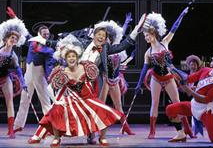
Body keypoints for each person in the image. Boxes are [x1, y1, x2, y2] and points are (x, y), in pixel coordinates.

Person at [28, 13, 143, 144]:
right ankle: (39, 134)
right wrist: (44, 41)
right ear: (94, 36)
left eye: (103, 36)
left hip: (89, 84)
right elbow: (61, 44)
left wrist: (136, 30)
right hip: (72, 79)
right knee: (58, 107)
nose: (100, 37)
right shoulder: (83, 44)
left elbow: (124, 45)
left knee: (92, 109)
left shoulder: (106, 49)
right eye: (98, 34)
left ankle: (91, 136)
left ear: (105, 40)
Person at [38, 35, 124, 147]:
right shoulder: (62, 71)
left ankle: (102, 138)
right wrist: (56, 101)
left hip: (86, 98)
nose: (71, 58)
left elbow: (96, 82)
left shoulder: (86, 67)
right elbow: (50, 88)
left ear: (77, 57)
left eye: (73, 56)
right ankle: (56, 138)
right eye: (69, 57)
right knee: (55, 110)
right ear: (65, 59)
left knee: (103, 109)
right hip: (71, 100)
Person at [134, 8, 194, 139]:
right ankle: (152, 130)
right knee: (154, 103)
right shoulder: (148, 53)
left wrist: (181, 15)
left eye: (146, 35)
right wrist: (139, 85)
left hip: (169, 77)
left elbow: (174, 27)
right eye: (144, 36)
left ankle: (187, 129)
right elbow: (144, 69)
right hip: (156, 78)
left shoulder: (165, 42)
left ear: (153, 33)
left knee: (177, 102)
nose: (145, 38)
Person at [165, 46, 213, 143]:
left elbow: (207, 99)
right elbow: (188, 78)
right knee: (170, 109)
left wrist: (191, 92)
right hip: (194, 105)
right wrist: (174, 71)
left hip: (205, 110)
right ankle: (181, 134)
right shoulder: (205, 70)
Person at [96, 19, 135, 136]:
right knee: (100, 104)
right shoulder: (103, 49)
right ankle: (98, 127)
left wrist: (127, 22)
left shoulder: (117, 47)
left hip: (115, 79)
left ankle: (125, 127)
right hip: (104, 79)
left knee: (118, 105)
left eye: (108, 37)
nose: (107, 39)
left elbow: (121, 33)